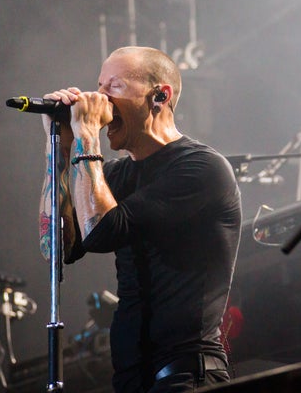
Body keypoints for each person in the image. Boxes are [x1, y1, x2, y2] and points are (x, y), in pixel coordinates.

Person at [38, 46, 242, 392]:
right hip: (131, 378)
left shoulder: (201, 168)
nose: (97, 99)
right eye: (98, 87)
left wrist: (88, 134)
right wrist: (58, 145)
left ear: (160, 96)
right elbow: (56, 248)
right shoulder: (114, 177)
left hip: (185, 376)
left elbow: (101, 233)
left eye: (112, 88)